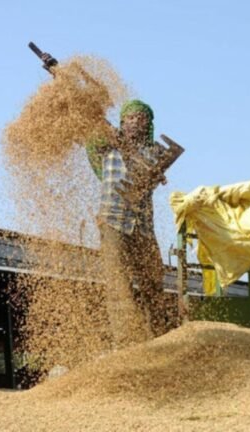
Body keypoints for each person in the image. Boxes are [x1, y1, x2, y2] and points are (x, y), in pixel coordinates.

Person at [86, 99, 173, 338]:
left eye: (141, 119)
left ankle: (158, 335)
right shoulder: (107, 147)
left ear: (148, 125)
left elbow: (155, 174)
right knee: (119, 282)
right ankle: (126, 341)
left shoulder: (153, 152)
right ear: (122, 122)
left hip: (143, 226)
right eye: (130, 118)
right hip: (113, 220)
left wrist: (156, 174)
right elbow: (92, 135)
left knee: (153, 281)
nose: (135, 123)